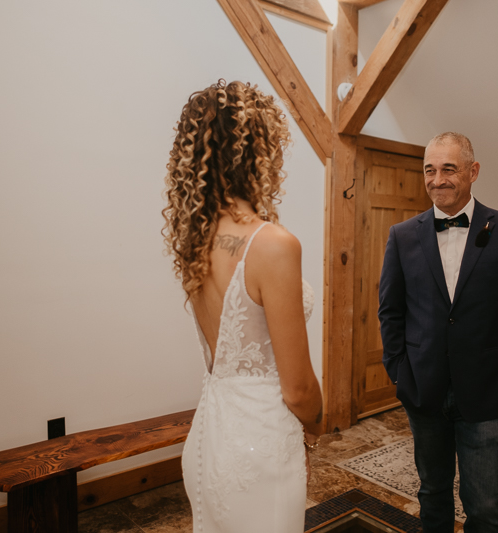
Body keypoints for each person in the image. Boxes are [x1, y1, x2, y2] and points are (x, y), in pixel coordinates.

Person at [162, 79, 323, 533]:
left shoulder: (195, 240)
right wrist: (316, 424)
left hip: (209, 435)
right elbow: (298, 389)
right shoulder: (272, 244)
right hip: (260, 444)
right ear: (259, 150)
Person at [378, 132, 498, 533]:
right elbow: (391, 310)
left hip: (484, 388)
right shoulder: (402, 236)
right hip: (423, 385)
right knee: (431, 490)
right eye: (430, 170)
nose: (438, 180)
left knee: (484, 500)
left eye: (449, 169)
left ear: (472, 171)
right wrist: (398, 370)